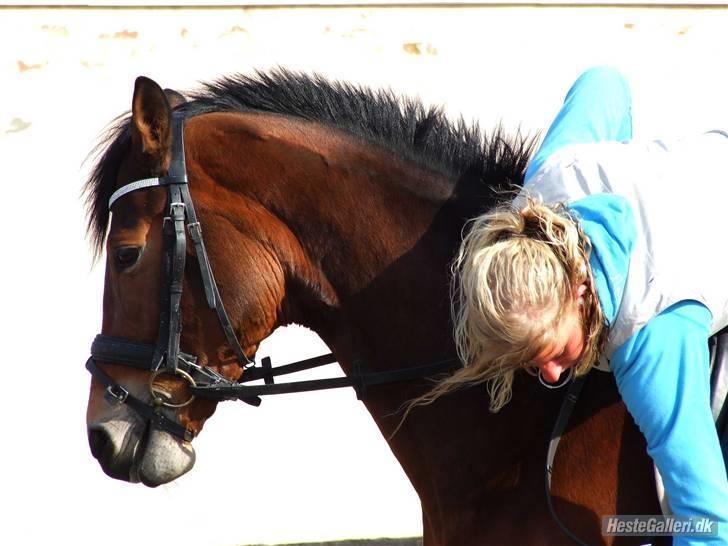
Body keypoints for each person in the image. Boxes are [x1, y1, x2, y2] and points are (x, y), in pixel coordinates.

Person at [414, 66, 728, 545]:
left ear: (581, 289)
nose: (553, 375)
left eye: (557, 350)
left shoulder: (652, 337)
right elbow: (604, 83)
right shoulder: (550, 174)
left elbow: (707, 520)